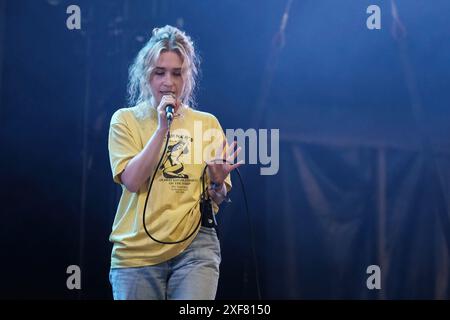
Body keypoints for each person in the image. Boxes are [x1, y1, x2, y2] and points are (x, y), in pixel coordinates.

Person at [108, 25, 242, 300]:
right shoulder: (125, 120)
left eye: (176, 73)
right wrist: (162, 130)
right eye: (160, 72)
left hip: (195, 248)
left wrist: (217, 181)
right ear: (146, 76)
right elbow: (132, 181)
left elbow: (218, 196)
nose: (168, 82)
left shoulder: (207, 123)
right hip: (137, 253)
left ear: (187, 77)